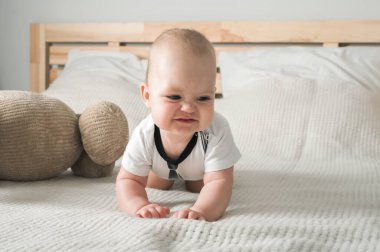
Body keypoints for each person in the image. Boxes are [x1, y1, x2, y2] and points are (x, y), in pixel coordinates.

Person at [116, 28, 241, 221]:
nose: (189, 108)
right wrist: (140, 205)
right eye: (174, 97)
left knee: (202, 185)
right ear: (147, 96)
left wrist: (201, 211)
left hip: (201, 169)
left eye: (203, 97)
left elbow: (220, 181)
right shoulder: (145, 133)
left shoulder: (216, 131)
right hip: (158, 167)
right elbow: (128, 179)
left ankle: (191, 179)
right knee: (155, 182)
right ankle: (166, 177)